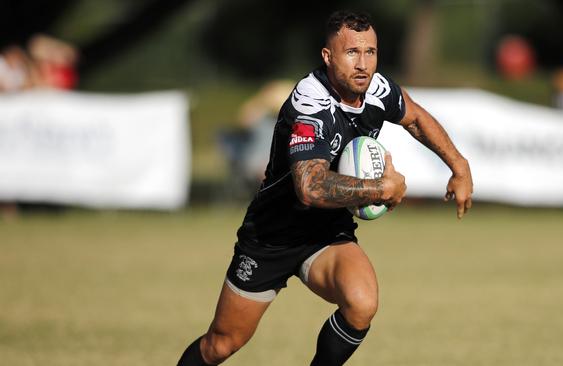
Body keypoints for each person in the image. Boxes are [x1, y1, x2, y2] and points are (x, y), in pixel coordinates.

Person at [177, 10, 473, 366]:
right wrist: (380, 188)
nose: (363, 64)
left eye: (370, 52)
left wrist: (459, 166)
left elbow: (416, 118)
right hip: (273, 235)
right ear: (328, 56)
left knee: (362, 304)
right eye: (352, 53)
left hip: (326, 232)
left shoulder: (377, 89)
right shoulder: (311, 103)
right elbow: (310, 187)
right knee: (221, 344)